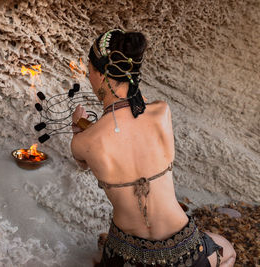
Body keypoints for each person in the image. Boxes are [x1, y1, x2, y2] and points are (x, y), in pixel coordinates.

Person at [70, 29, 236, 266]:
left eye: (89, 69)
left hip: (124, 255)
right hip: (181, 252)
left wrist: (78, 127)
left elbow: (83, 161)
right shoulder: (162, 112)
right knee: (228, 251)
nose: (88, 75)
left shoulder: (86, 141)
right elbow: (136, 116)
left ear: (101, 74)